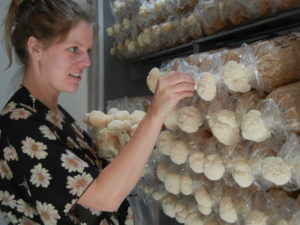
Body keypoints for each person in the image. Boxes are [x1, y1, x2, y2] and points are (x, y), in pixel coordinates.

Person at [0, 0, 195, 224]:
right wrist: (154, 114)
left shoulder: (51, 113)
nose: (87, 62)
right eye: (74, 49)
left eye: (88, 50)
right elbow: (104, 197)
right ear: (36, 48)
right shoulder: (20, 125)